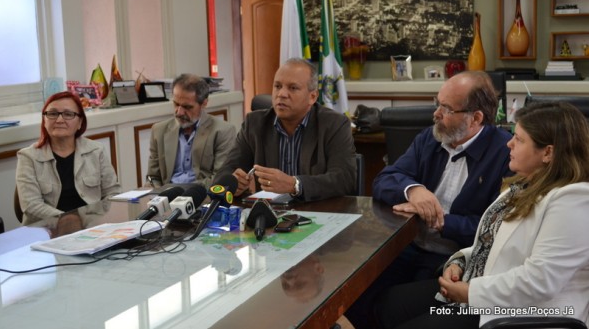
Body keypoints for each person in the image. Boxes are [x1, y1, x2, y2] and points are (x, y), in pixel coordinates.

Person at [374, 101, 589, 329]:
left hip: (526, 314)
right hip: (487, 291)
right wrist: (459, 261)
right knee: (390, 304)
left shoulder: (574, 201)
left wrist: (470, 292)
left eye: (519, 139)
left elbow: (540, 282)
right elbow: (495, 242)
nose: (509, 143)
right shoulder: (526, 184)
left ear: (547, 153)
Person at [346, 71, 513, 328]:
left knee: (395, 310)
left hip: (453, 259)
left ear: (476, 118)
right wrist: (413, 190)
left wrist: (441, 221)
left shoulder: (505, 154)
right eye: (437, 103)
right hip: (407, 245)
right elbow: (385, 179)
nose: (435, 114)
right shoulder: (431, 138)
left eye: (446, 108)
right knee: (355, 298)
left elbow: (496, 228)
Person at [217, 57, 356, 201]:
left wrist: (295, 185)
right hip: (270, 215)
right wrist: (233, 182)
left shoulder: (334, 124)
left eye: (293, 88)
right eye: (277, 86)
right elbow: (225, 172)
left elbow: (344, 179)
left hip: (318, 211)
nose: (281, 94)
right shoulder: (255, 124)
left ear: (312, 97)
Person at [16, 91, 121, 225]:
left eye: (68, 114)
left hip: (93, 227)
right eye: (53, 114)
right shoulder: (28, 156)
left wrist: (98, 221)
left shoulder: (96, 150)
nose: (59, 120)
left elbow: (113, 193)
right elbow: (31, 206)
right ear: (44, 120)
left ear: (80, 122)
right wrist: (68, 221)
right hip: (45, 231)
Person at [146, 74, 237, 189]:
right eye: (176, 104)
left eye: (187, 107)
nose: (179, 112)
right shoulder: (159, 131)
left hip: (201, 197)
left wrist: (181, 190)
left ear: (204, 103)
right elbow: (153, 177)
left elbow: (220, 178)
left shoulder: (223, 131)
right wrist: (160, 194)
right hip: (166, 197)